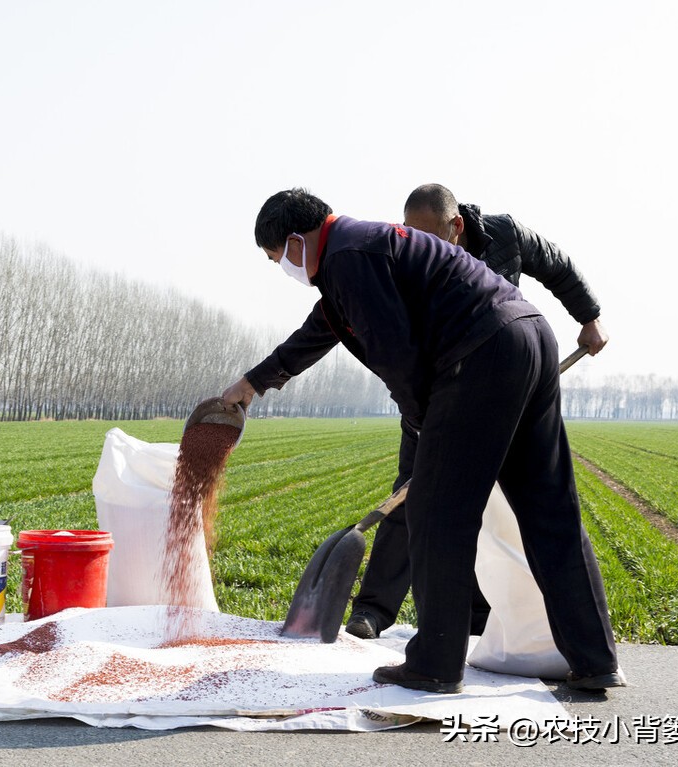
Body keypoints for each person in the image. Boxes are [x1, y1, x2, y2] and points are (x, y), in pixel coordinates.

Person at [221, 188, 623, 692]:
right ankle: (594, 659)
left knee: (436, 512)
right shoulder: (358, 252)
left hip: (481, 353)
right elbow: (320, 330)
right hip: (529, 337)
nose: (282, 267)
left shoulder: (347, 257)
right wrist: (252, 383)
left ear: (299, 240)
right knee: (549, 509)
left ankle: (434, 663)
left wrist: (423, 426)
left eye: (277, 256)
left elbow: (397, 355)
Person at [341, 183, 610, 639]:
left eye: (430, 234)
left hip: (503, 388)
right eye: (410, 233)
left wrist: (589, 316)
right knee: (411, 495)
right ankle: (372, 610)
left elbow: (557, 266)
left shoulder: (505, 235)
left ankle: (480, 618)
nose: (418, 243)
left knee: (493, 503)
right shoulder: (405, 259)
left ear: (457, 226)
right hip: (436, 395)